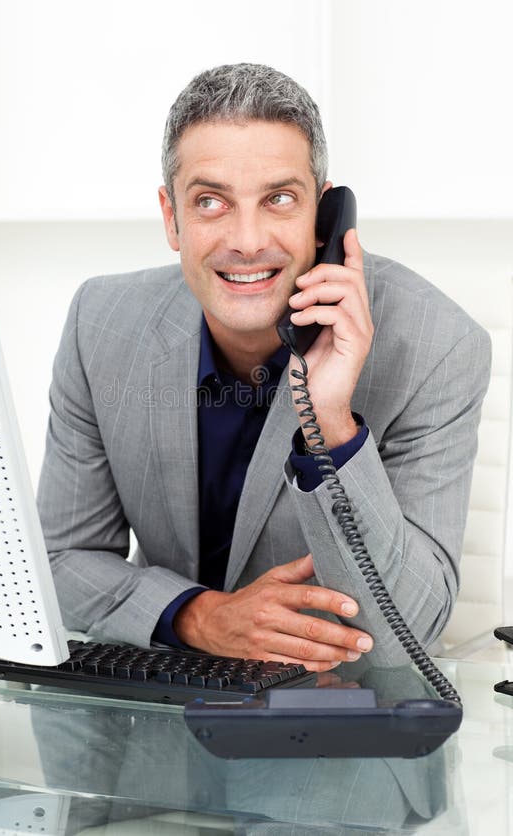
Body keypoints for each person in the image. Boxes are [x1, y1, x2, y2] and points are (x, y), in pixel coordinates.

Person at [37, 62, 490, 672]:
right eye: (211, 202)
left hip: (341, 729)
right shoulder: (104, 322)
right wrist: (199, 617)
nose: (247, 240)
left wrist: (328, 418)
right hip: (160, 712)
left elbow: (407, 632)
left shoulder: (438, 346)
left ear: (324, 217)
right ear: (172, 218)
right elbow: (59, 561)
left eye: (278, 199)